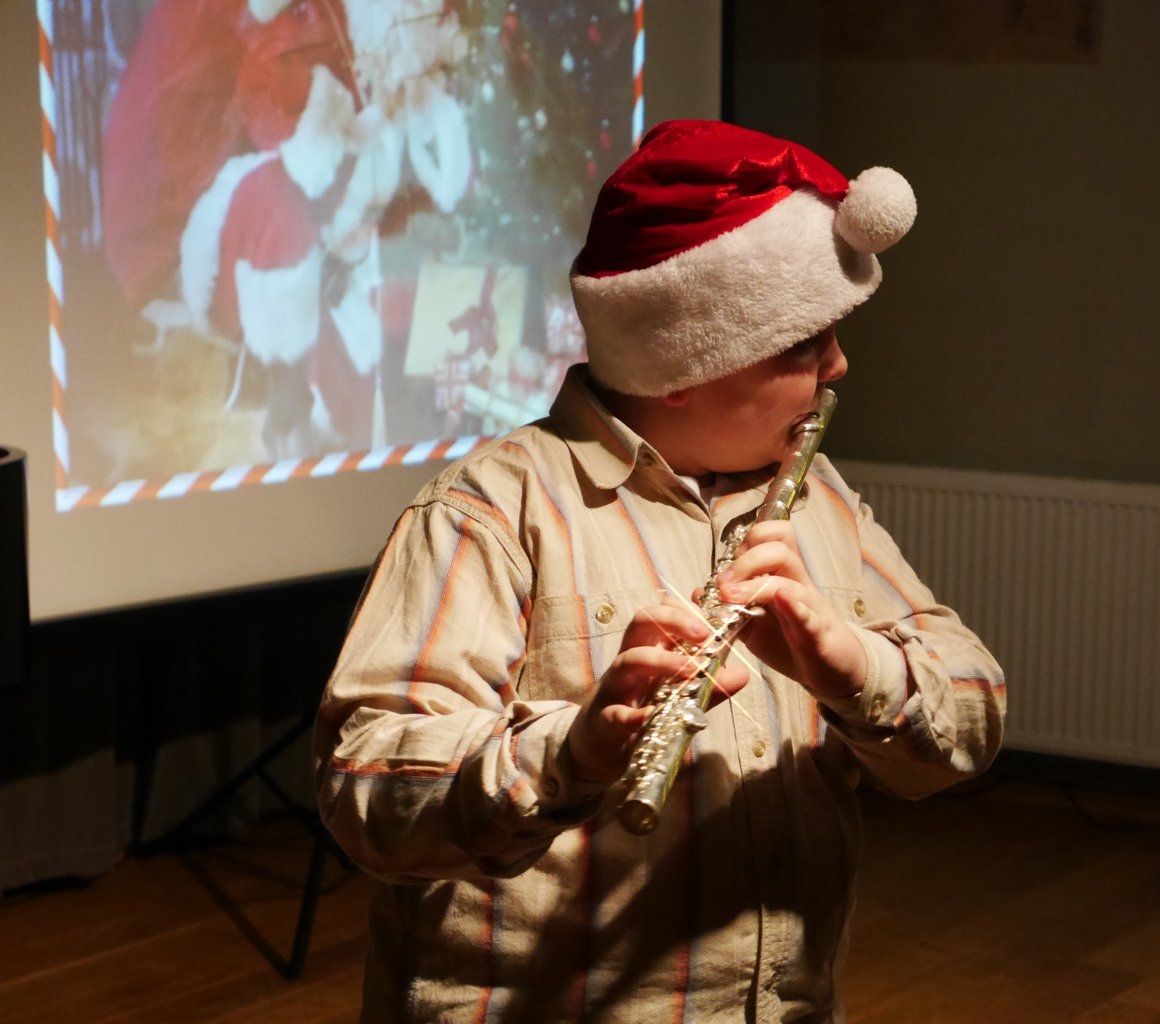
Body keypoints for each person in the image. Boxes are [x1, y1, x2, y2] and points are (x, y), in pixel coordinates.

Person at [314, 118, 1006, 1024]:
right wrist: (570, 754)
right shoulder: (489, 510)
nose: (839, 365)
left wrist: (855, 669)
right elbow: (364, 792)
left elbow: (973, 712)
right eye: (804, 343)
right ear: (684, 361)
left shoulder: (816, 494)